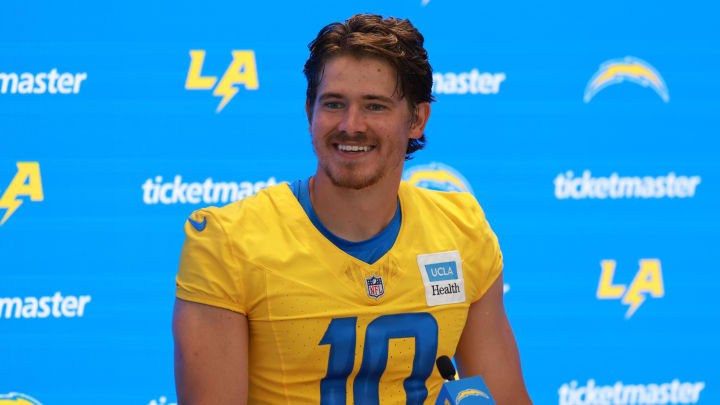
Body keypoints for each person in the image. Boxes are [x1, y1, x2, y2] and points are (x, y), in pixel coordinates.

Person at [173, 13, 532, 405]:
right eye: (334, 103)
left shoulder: (460, 229)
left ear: (417, 118)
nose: (351, 125)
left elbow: (505, 396)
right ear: (309, 112)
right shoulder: (228, 243)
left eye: (375, 106)